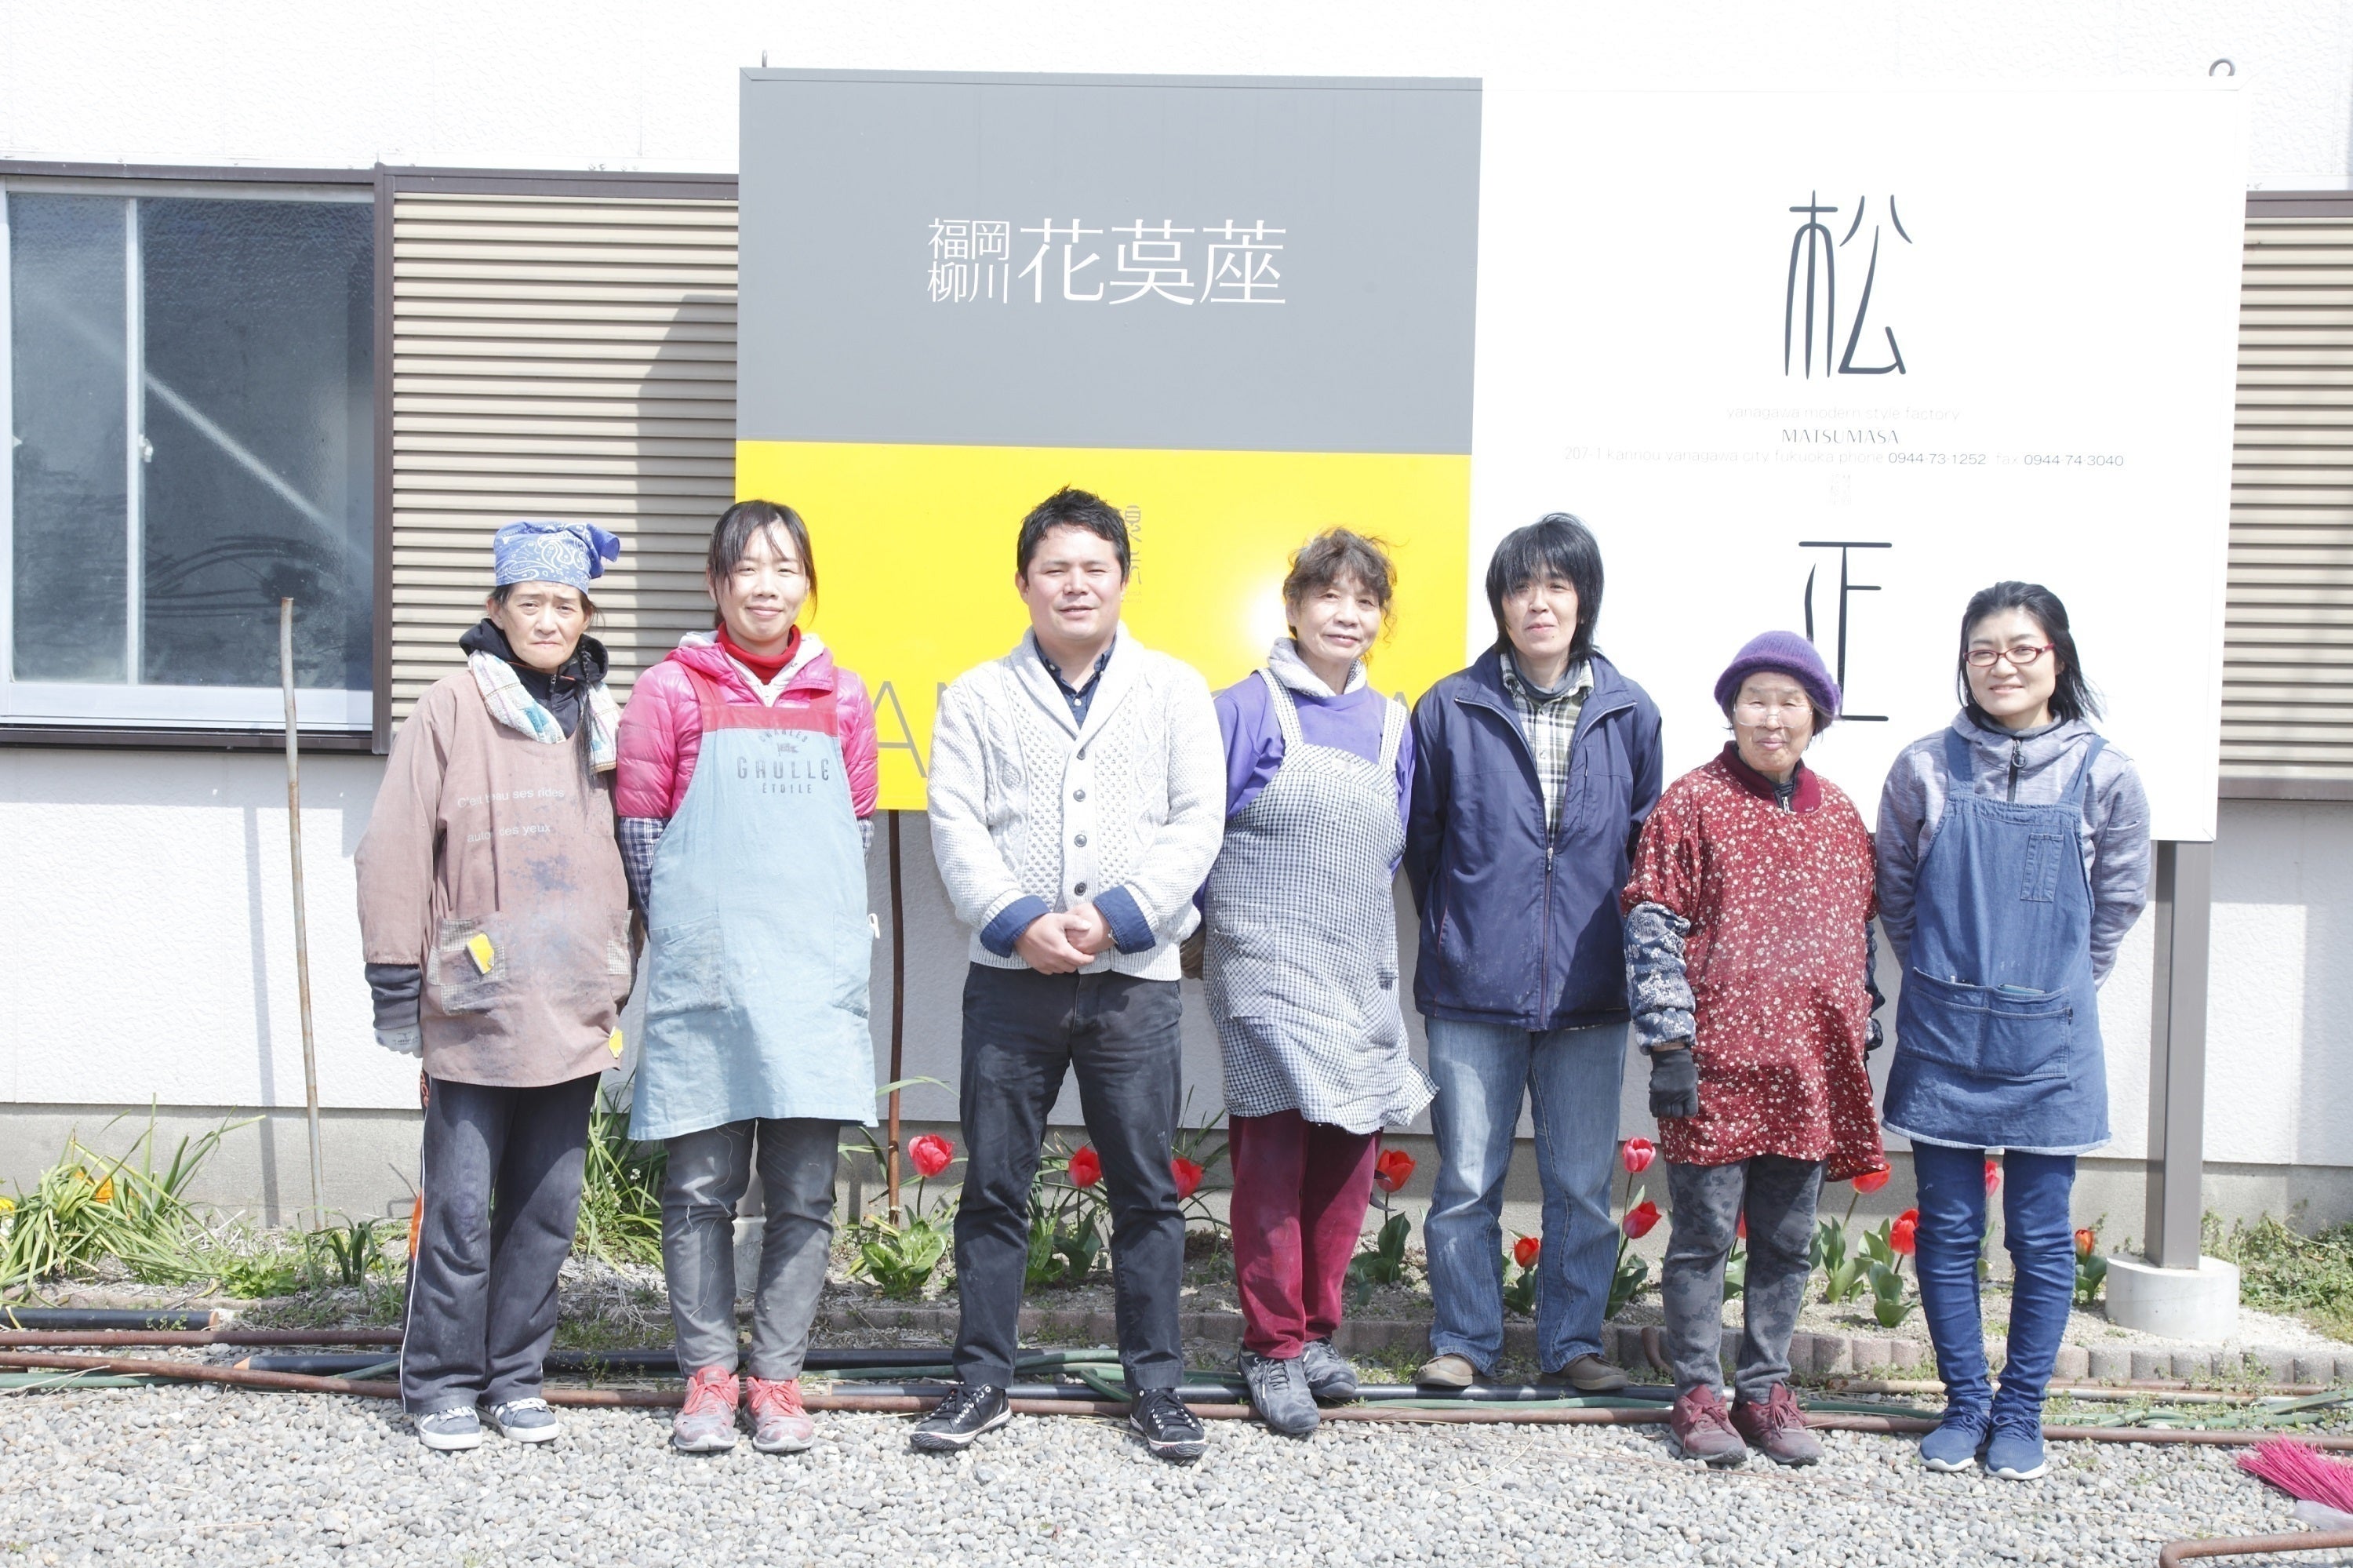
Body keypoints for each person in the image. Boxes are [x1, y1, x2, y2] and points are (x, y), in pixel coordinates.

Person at [921, 487, 1224, 1462]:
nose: (1076, 584)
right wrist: (1018, 921)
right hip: (1011, 980)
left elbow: (1198, 820)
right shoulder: (976, 694)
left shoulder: (1175, 689)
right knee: (994, 1185)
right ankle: (981, 1380)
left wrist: (1119, 915)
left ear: (1124, 579)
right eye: (1056, 568)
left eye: (1096, 566)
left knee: (1145, 1189)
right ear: (1023, 582)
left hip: (1135, 978)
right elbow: (955, 823)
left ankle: (1158, 1388)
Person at [356, 518, 632, 1452]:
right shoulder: (449, 707)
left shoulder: (604, 715)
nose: (549, 619)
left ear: (585, 615)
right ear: (496, 609)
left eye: (566, 604)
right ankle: (439, 1380)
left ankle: (515, 1376)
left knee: (548, 1209)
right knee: (460, 1207)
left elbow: (633, 847)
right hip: (477, 1002)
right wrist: (395, 978)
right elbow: (394, 845)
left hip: (575, 996)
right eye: (531, 602)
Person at [613, 500, 880, 1455]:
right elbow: (641, 828)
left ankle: (776, 1378)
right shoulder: (669, 691)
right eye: (748, 568)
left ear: (808, 582)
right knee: (700, 1188)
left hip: (810, 979)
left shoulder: (841, 696)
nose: (767, 586)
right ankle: (707, 1375)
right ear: (716, 583)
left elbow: (853, 831)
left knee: (804, 1191)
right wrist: (690, 938)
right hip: (713, 978)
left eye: (785, 568)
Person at [1878, 582, 2150, 1483]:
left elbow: (2118, 904)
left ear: (2056, 659)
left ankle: (2022, 1409)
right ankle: (1965, 1403)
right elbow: (1898, 898)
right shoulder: (1924, 767)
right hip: (1946, 1034)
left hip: (2051, 1044)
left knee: (2039, 1233)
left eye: (2023, 648)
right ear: (1965, 663)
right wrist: (1948, 980)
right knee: (1950, 1227)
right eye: (1984, 650)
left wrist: (2058, 986)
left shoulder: (2107, 775)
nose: (2003, 665)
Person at [1404, 514, 1663, 1393]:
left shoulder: (1629, 711)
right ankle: (1463, 1340)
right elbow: (1426, 844)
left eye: (1557, 585)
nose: (1538, 603)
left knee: (1583, 1184)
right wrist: (1464, 931)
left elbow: (1642, 850)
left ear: (1585, 598)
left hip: (1591, 989)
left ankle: (1573, 1343)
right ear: (1500, 603)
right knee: (1467, 1179)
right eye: (1520, 587)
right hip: (1473, 986)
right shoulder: (1450, 706)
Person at [1621, 631, 1886, 1468]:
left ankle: (1766, 1388)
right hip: (1716, 1067)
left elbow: (1859, 937)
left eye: (1789, 702)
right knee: (1703, 1238)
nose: (1772, 717)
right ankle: (1698, 1393)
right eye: (1756, 700)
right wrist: (1670, 1043)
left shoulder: (1841, 816)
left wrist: (1861, 1022)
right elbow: (1652, 926)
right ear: (1732, 710)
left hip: (1809, 1070)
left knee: (1788, 1240)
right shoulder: (1691, 803)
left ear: (1817, 716)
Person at [1200, 530, 1431, 1438]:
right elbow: (1196, 837)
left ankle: (1315, 1333)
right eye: (1329, 595)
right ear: (1293, 607)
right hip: (1262, 969)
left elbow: (1389, 851)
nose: (1347, 614)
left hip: (1355, 972)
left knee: (1345, 1158)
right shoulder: (1242, 709)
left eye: (1366, 601)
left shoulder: (1395, 724)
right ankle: (1270, 1345)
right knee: (1274, 1155)